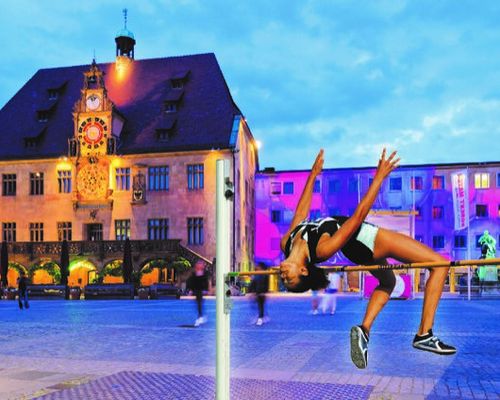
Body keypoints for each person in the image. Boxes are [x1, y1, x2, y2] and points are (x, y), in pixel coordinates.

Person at [279, 149, 456, 369]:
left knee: (388, 282)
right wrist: (380, 177)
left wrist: (313, 175)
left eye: (284, 280)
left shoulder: (286, 241)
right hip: (371, 240)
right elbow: (358, 217)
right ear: (304, 271)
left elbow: (300, 214)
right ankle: (424, 334)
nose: (283, 276)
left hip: (360, 251)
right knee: (440, 264)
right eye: (290, 280)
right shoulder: (322, 250)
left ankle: (364, 330)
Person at [186, 260, 209, 327]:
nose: (199, 266)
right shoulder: (194, 273)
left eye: (201, 264)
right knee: (198, 304)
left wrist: (206, 289)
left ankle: (200, 317)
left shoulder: (204, 273)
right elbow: (191, 281)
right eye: (198, 264)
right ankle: (200, 316)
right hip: (196, 290)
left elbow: (206, 282)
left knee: (199, 303)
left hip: (200, 291)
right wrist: (190, 290)